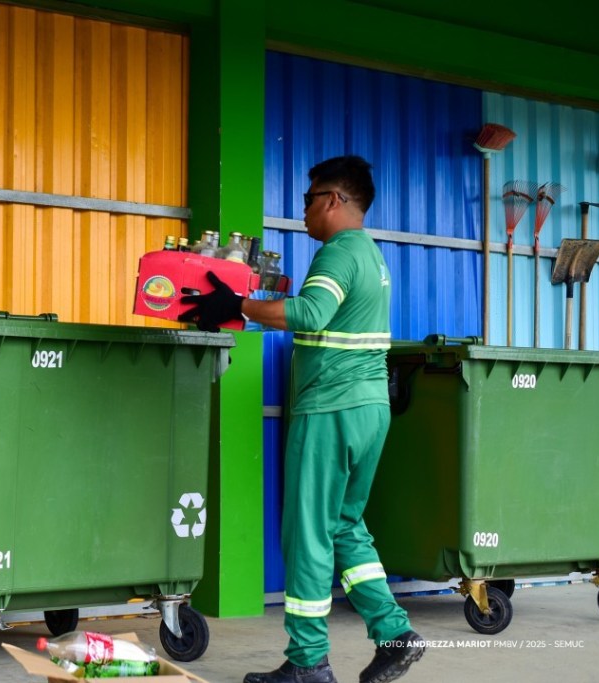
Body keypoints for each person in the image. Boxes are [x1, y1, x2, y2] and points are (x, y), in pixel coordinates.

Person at [179, 155, 424, 683]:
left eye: (309, 200)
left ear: (334, 199)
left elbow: (310, 313)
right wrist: (244, 310)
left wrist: (238, 306)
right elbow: (320, 318)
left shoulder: (338, 252)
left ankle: (309, 661)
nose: (304, 211)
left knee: (308, 534)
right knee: (345, 526)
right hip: (369, 408)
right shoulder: (370, 255)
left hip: (331, 407)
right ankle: (394, 633)